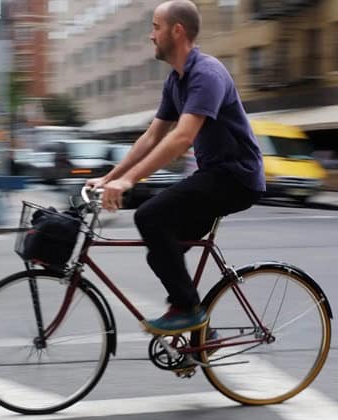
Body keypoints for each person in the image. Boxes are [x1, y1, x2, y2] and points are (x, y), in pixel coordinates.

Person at [86, 0, 266, 335]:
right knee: (161, 252)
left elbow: (181, 138)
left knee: (149, 216)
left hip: (236, 176)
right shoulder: (176, 80)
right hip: (214, 175)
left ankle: (188, 311)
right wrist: (110, 177)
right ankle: (200, 335)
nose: (151, 35)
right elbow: (152, 136)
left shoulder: (206, 74)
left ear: (176, 31)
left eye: (155, 27)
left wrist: (127, 182)